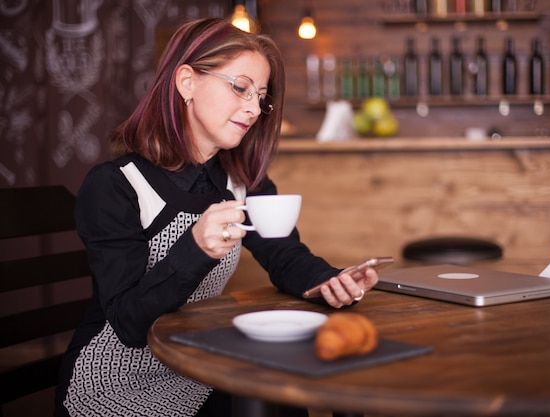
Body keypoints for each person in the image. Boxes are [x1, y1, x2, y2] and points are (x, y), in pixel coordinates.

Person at [55, 18, 379, 417]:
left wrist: (332, 281)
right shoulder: (116, 186)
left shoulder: (241, 181)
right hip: (116, 380)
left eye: (261, 97)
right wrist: (195, 247)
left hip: (198, 361)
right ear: (186, 82)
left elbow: (285, 257)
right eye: (240, 87)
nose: (253, 108)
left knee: (289, 392)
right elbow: (129, 323)